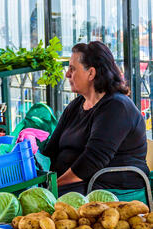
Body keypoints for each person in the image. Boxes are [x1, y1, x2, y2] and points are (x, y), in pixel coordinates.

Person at [43, 41, 149, 196]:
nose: (67, 74)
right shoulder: (77, 105)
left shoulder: (117, 107)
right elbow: (51, 149)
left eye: (72, 69)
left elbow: (92, 161)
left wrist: (52, 187)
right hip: (78, 184)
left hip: (107, 188)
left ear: (91, 73)